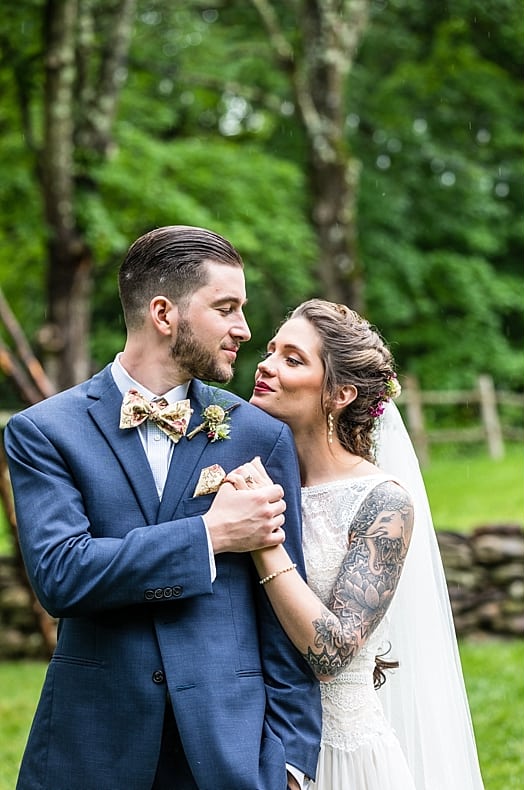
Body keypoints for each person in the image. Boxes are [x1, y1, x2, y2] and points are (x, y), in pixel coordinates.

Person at [3, 225, 322, 789]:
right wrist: (210, 535)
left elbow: (281, 614)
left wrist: (292, 762)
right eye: (226, 308)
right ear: (163, 313)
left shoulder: (258, 435)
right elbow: (62, 576)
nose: (244, 330)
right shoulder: (44, 432)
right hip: (90, 750)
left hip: (227, 754)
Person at [244, 298, 484, 789]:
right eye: (271, 350)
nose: (265, 365)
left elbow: (332, 655)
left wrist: (264, 542)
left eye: (293, 359)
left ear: (340, 394)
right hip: (249, 742)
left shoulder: (382, 505)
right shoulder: (252, 479)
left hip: (340, 754)